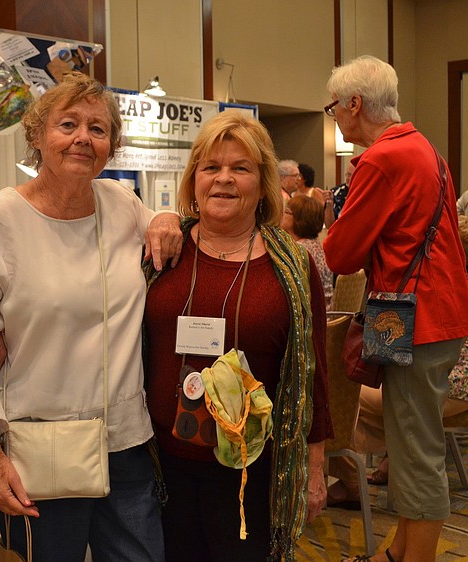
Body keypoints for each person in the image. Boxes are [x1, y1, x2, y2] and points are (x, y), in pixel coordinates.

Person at [0, 71, 181, 562]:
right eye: (68, 125)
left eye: (98, 128)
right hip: (39, 450)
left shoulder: (123, 204)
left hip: (125, 443)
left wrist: (169, 218)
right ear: (38, 137)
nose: (84, 137)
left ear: (111, 146)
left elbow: (166, 228)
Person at [143, 111, 331, 561]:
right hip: (158, 467)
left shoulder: (292, 267)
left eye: (240, 168)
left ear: (262, 181)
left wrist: (316, 466)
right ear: (193, 180)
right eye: (211, 168)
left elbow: (314, 374)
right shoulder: (160, 252)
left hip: (252, 472)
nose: (223, 180)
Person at [323, 55, 468, 562]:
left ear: (354, 104)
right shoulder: (423, 148)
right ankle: (398, 552)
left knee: (416, 453)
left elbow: (339, 254)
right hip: (434, 314)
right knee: (411, 444)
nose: (336, 118)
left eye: (334, 108)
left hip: (417, 322)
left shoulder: (382, 159)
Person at [327, 216, 468, 508]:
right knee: (357, 394)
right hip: (462, 384)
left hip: (449, 388)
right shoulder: (460, 284)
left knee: (339, 397)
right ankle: (382, 462)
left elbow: (338, 254)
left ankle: (351, 478)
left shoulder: (433, 290)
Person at [281, 194, 334, 308]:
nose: (281, 214)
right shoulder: (317, 246)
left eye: (286, 211)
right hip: (327, 314)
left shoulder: (298, 251)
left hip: (310, 319)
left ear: (299, 219)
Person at [297, 162, 335, 227]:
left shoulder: (315, 192)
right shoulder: (292, 193)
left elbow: (321, 212)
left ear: (305, 178)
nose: (296, 179)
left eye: (299, 175)